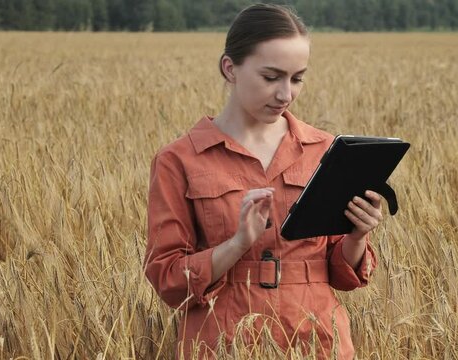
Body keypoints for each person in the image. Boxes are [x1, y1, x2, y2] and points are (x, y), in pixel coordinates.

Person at [144, 4, 382, 359]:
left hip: (317, 339)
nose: (286, 94)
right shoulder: (179, 160)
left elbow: (341, 273)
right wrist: (237, 244)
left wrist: (357, 236)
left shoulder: (325, 150)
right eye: (271, 77)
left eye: (297, 78)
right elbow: (167, 278)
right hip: (222, 341)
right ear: (230, 68)